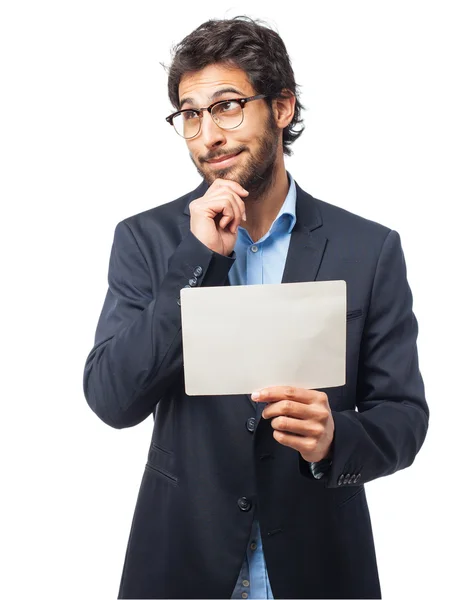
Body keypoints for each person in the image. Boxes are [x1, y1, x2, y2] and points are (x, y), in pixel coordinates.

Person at [83, 16, 429, 600]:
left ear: (283, 108)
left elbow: (404, 415)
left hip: (320, 568)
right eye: (190, 115)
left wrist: (334, 440)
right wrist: (196, 260)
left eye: (227, 107)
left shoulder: (369, 249)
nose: (208, 135)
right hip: (181, 564)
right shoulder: (146, 240)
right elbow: (112, 399)